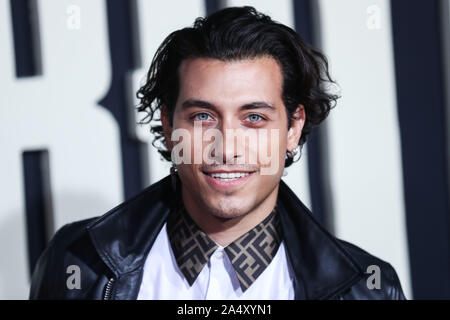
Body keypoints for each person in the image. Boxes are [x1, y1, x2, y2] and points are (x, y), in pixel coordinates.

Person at [29, 6, 406, 300]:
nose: (226, 146)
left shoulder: (366, 288)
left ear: (292, 129)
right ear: (167, 124)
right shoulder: (78, 262)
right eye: (203, 116)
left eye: (254, 117)